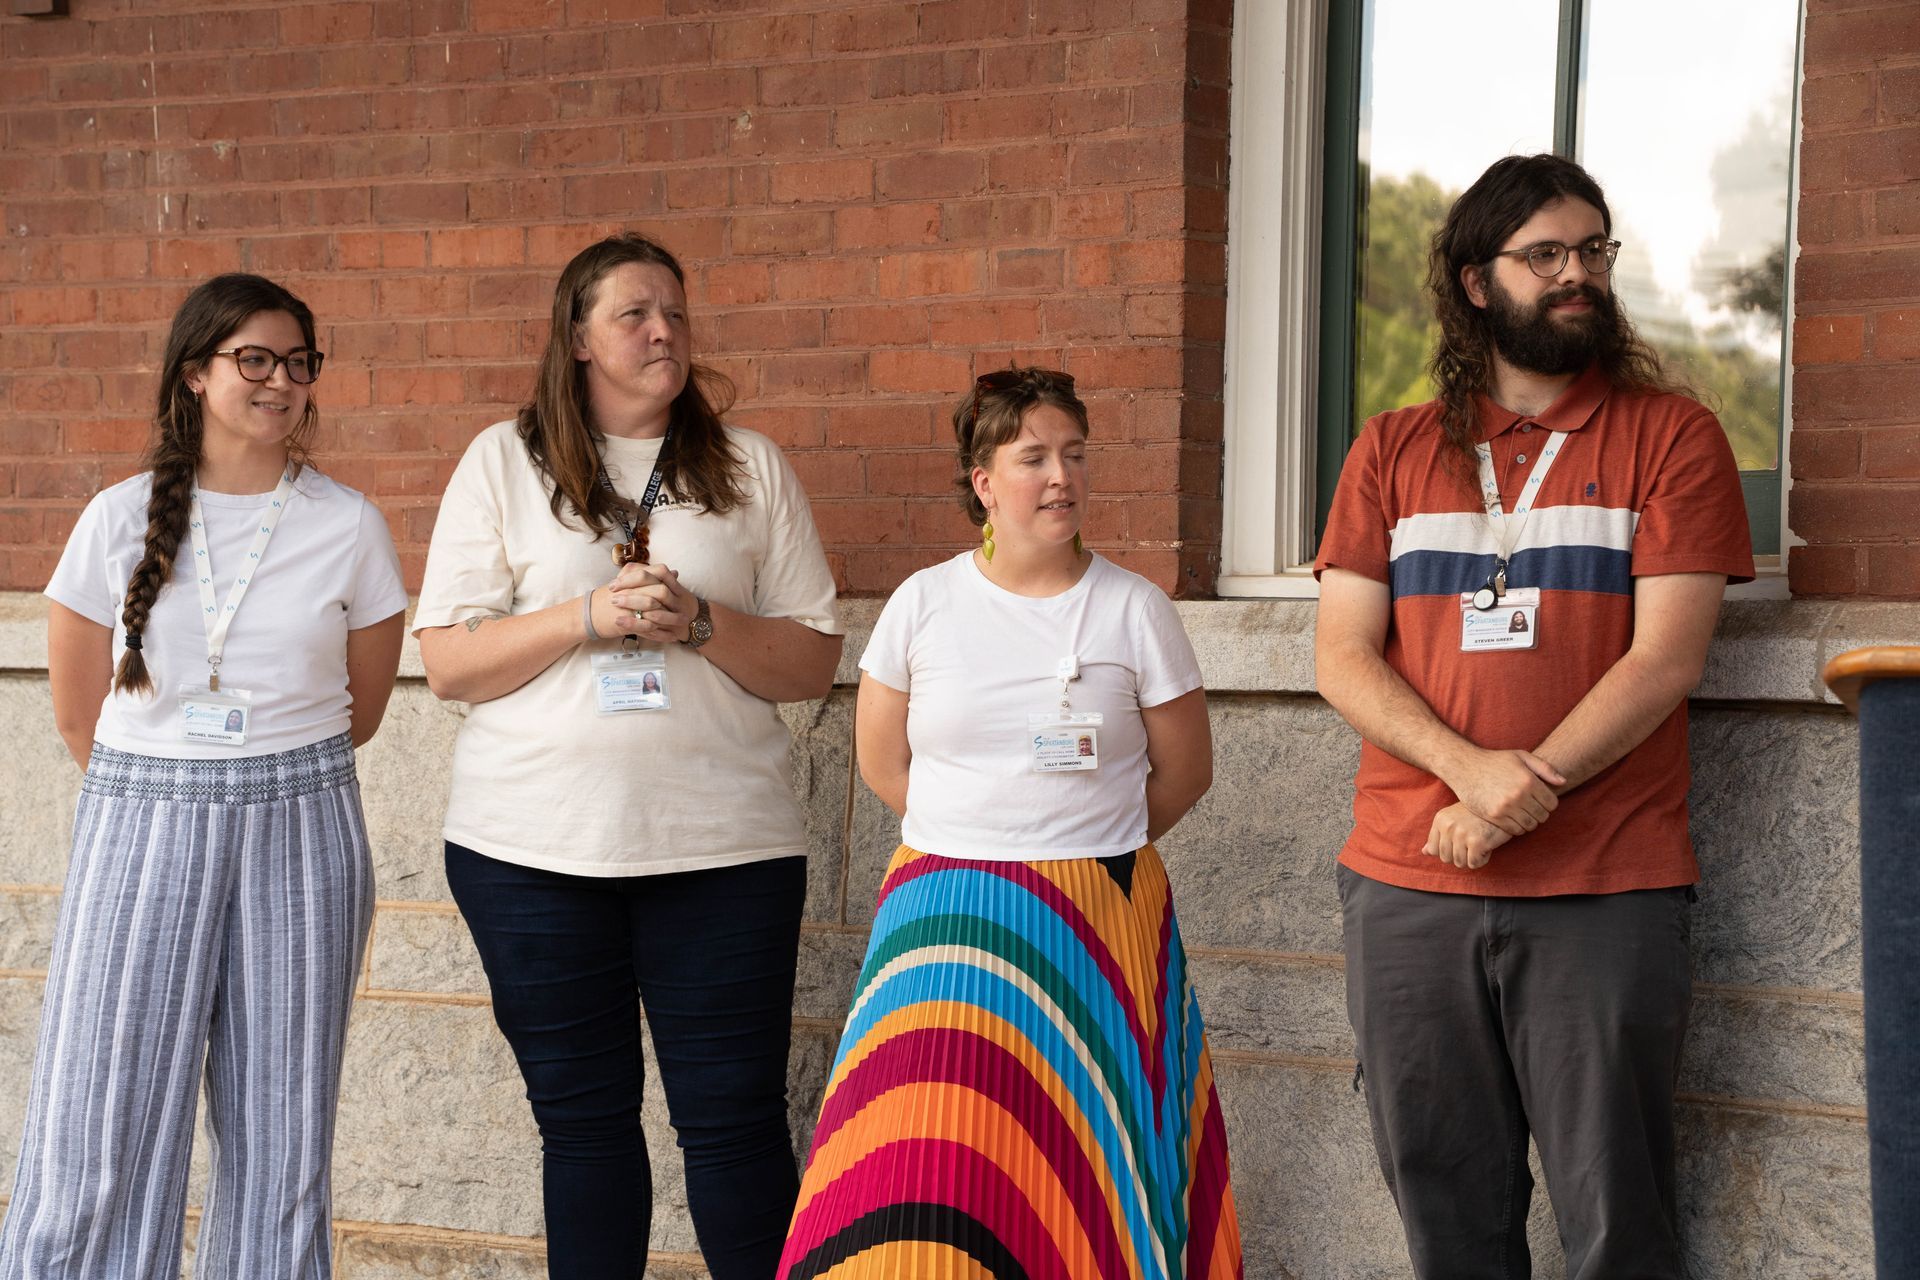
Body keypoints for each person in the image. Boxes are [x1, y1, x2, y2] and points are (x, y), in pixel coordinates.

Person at [1314, 153, 1754, 1278]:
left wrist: (1523, 792)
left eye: (1594, 251)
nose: (1579, 275)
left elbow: (1667, 659)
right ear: (1475, 282)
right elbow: (1342, 658)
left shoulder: (1673, 436)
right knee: (1446, 1212)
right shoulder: (1392, 449)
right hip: (1409, 886)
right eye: (1546, 254)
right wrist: (1468, 771)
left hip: (1605, 887)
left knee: (1619, 1220)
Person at [414, 233, 842, 1279]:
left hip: (724, 852)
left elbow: (812, 661)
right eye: (636, 314)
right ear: (576, 338)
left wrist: (697, 620)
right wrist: (584, 616)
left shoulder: (748, 466)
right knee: (585, 1129)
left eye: (678, 314)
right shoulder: (501, 461)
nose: (665, 332)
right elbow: (449, 664)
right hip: (531, 853)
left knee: (736, 1127)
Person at [778, 367, 1243, 1280]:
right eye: (1034, 457)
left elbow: (1186, 772)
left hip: (1099, 916)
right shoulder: (924, 602)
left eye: (1074, 454)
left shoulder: (1135, 608)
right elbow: (884, 766)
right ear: (986, 482)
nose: (1060, 476)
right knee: (922, 1160)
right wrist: (985, 838)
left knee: (1093, 1165)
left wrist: (1074, 839)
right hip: (945, 913)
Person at [0, 274, 408, 1278]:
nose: (280, 381)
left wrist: (256, 780)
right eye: (254, 360)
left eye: (298, 362)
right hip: (141, 817)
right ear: (197, 373)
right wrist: (169, 793)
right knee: (98, 1116)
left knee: (282, 1130)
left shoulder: (348, 523)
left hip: (302, 817)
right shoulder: (115, 517)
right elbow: (75, 707)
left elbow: (361, 706)